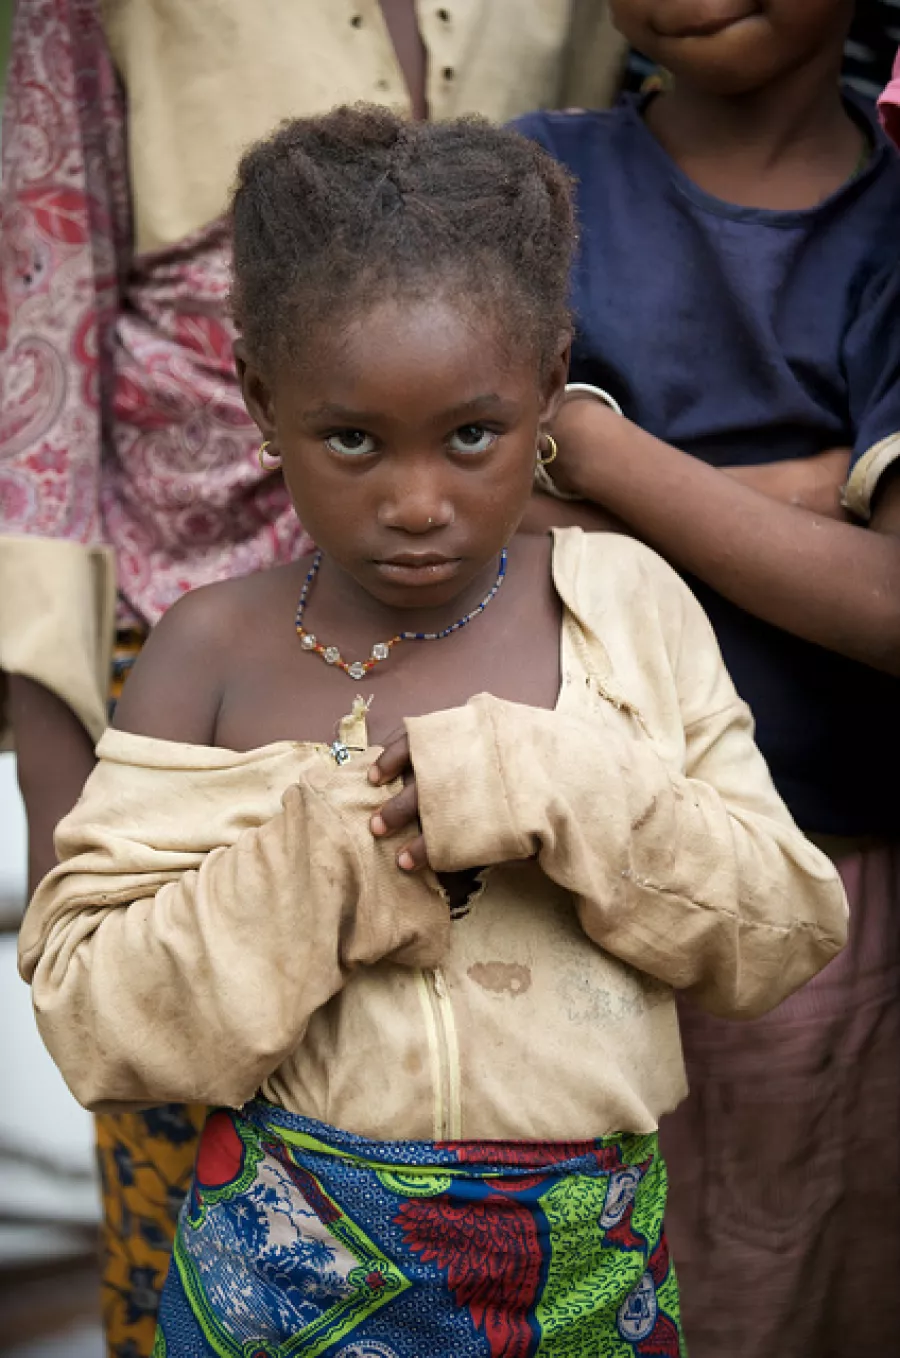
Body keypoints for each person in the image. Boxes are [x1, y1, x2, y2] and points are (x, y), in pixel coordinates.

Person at [17, 105, 846, 1356]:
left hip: (583, 1294)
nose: (418, 504)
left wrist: (562, 779)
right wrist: (332, 856)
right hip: (273, 1298)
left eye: (474, 435)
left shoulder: (622, 607)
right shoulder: (211, 650)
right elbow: (93, 1011)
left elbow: (783, 929)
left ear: (547, 381)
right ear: (260, 398)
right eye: (352, 439)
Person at [0, 4, 627, 1351]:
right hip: (180, 681)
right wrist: (67, 784)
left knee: (474, 1119)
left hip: (488, 653)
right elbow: (38, 369)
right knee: (203, 1169)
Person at [513, 1, 900, 1353]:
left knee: (797, 1265)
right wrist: (818, 497)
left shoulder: (895, 225)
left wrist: (600, 453)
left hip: (829, 884)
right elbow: (461, 517)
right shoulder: (523, 193)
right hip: (565, 889)